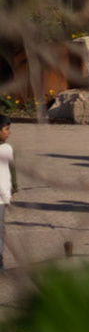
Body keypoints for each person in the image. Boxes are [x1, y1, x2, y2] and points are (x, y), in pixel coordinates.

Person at [0, 114, 11, 272]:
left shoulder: (7, 149)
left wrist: (12, 189)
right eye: (6, 129)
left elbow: (9, 172)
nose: (9, 132)